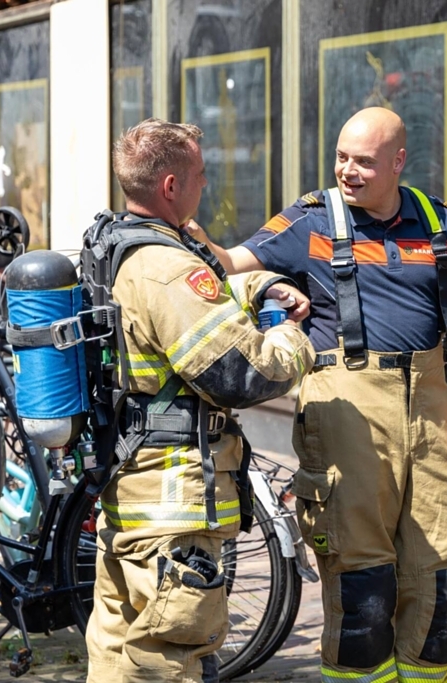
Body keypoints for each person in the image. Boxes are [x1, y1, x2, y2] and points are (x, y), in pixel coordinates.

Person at [191, 107, 447, 682]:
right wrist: (184, 221)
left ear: (399, 162)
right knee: (363, 584)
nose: (348, 171)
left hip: (431, 408)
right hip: (347, 406)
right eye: (341, 158)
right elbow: (228, 265)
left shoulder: (441, 224)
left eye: (364, 162)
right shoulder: (309, 222)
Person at [86, 119, 314, 683]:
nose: (205, 185)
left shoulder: (123, 245)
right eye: (199, 175)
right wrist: (290, 337)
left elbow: (199, 298)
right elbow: (241, 374)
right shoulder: (167, 268)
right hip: (174, 512)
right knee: (174, 662)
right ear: (169, 186)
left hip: (129, 500)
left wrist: (259, 284)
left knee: (117, 658)